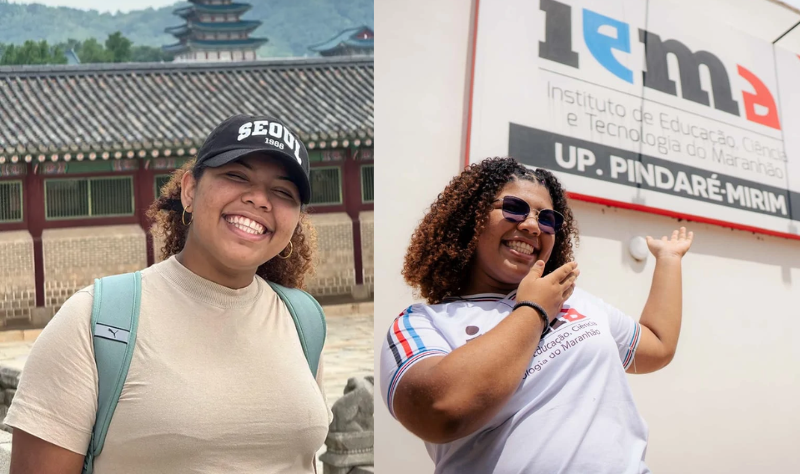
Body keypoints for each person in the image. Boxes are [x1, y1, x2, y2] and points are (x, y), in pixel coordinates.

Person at [6, 114, 331, 474]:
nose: (259, 199)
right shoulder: (94, 319)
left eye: (283, 192)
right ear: (190, 190)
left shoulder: (303, 319)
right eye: (236, 176)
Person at [380, 157, 693, 473]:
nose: (531, 225)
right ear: (470, 219)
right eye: (514, 208)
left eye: (547, 219)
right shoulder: (419, 324)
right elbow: (439, 411)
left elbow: (657, 346)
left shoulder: (576, 302)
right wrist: (534, 310)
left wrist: (669, 260)